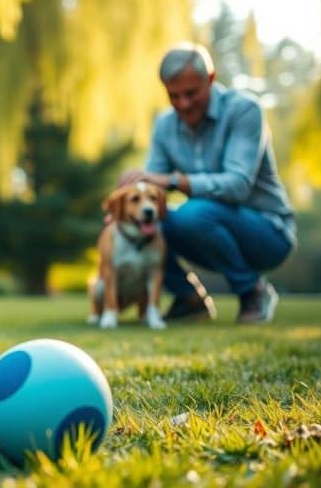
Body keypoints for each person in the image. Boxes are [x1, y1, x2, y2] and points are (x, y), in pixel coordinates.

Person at [120, 43, 296, 324]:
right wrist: (124, 202)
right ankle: (189, 299)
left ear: (211, 79)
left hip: (268, 232)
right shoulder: (165, 125)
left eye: (191, 93)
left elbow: (237, 186)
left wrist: (172, 180)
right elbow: (152, 190)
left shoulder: (244, 110)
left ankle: (253, 291)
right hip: (206, 226)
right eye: (173, 96)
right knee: (145, 222)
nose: (183, 104)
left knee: (195, 212)